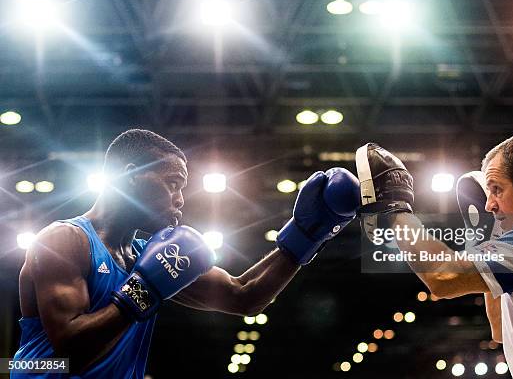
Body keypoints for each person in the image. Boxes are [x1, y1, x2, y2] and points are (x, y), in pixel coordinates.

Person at [12, 129, 360, 378]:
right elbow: (68, 350)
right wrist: (143, 291)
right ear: (131, 177)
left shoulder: (145, 256)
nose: (180, 200)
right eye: (172, 183)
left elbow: (244, 297)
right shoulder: (63, 241)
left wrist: (306, 235)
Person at [355, 133, 513, 378]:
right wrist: (491, 244)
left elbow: (442, 275)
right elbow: (499, 330)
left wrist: (396, 205)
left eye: (497, 189)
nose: (489, 204)